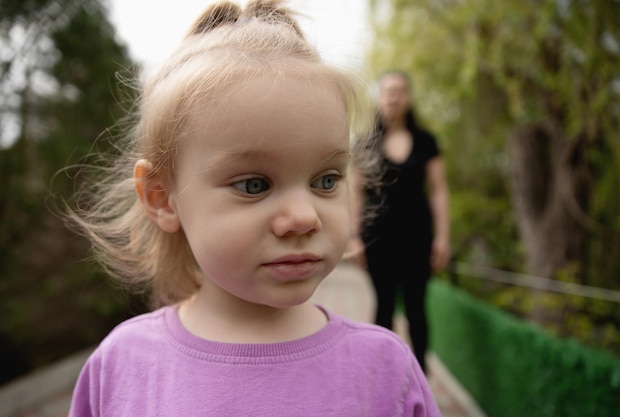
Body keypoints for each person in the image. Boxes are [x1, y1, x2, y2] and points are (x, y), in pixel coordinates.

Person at [64, 2, 442, 416]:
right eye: (254, 185)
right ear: (160, 198)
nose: (304, 216)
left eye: (326, 180)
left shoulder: (386, 370)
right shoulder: (122, 364)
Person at [358, 70, 451, 374]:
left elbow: (438, 190)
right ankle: (382, 377)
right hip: (377, 238)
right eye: (387, 91)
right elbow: (354, 193)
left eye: (399, 91)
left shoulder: (426, 142)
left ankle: (421, 380)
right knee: (383, 306)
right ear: (380, 97)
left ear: (408, 98)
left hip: (417, 238)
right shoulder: (365, 143)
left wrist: (443, 237)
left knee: (416, 309)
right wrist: (352, 237)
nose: (393, 97)